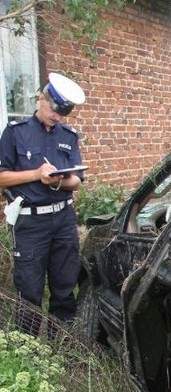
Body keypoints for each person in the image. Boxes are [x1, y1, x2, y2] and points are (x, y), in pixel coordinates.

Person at [0, 72, 86, 336]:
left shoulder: (68, 136)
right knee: (30, 290)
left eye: (63, 113)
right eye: (53, 109)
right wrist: (37, 175)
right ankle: (30, 349)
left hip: (62, 219)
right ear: (41, 99)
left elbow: (77, 181)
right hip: (30, 221)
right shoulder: (16, 133)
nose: (57, 116)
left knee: (64, 285)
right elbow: (2, 176)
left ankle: (61, 344)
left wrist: (58, 182)